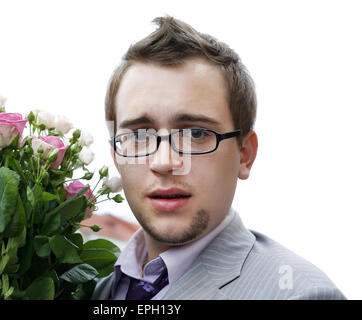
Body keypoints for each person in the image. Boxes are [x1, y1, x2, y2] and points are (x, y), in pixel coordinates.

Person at [92, 16, 345, 300]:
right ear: (116, 155)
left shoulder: (300, 294)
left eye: (196, 133)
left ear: (245, 155)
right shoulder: (88, 287)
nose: (163, 161)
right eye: (139, 136)